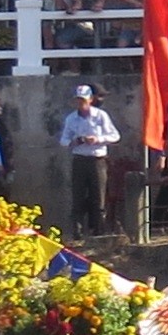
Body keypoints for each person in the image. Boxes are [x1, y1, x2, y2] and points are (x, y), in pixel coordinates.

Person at [57, 81, 120, 234]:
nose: (80, 104)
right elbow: (63, 140)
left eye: (83, 100)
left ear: (91, 100)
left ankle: (98, 231)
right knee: (78, 196)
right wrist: (75, 141)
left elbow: (115, 136)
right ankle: (77, 232)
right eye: (78, 100)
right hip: (79, 159)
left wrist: (97, 139)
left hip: (97, 160)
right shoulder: (71, 119)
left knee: (98, 197)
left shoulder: (100, 116)